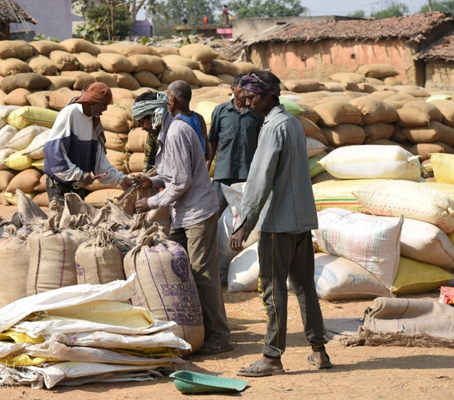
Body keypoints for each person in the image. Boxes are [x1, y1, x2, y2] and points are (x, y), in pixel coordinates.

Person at [230, 70, 332, 377]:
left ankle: (272, 358)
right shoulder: (292, 123)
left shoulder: (273, 126)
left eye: (250, 97)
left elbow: (260, 179)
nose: (246, 104)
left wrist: (245, 221)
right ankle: (319, 352)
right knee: (304, 288)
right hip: (300, 218)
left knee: (273, 291)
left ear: (268, 95)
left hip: (277, 222)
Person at [134, 81, 232, 356]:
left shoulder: (176, 132)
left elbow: (180, 183)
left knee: (202, 274)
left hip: (198, 212)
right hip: (183, 213)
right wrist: (149, 179)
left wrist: (150, 202)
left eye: (143, 122)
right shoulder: (168, 132)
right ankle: (194, 329)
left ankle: (220, 335)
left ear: (153, 115)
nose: (143, 128)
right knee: (178, 266)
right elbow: (169, 175)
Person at [42, 82, 134, 205]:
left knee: (79, 221)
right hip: (60, 184)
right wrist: (78, 174)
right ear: (92, 101)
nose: (105, 109)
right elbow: (52, 150)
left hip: (77, 184)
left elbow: (100, 162)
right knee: (65, 222)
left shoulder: (94, 123)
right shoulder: (71, 113)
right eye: (103, 105)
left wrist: (121, 179)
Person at [206, 74, 264, 215]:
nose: (245, 91)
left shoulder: (256, 114)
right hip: (223, 174)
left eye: (248, 88)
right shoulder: (220, 111)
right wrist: (205, 169)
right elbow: (212, 141)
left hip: (247, 174)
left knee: (245, 214)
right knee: (216, 211)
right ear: (232, 88)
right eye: (242, 87)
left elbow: (261, 144)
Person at [143, 84, 208, 172]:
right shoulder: (199, 119)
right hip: (198, 177)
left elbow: (172, 164)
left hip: (179, 178)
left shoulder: (174, 124)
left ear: (172, 99)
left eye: (167, 97)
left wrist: (148, 177)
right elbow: (207, 153)